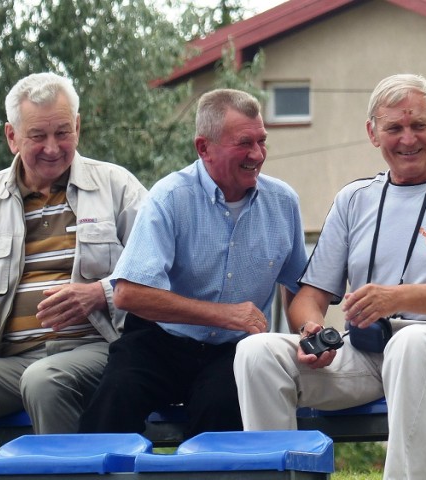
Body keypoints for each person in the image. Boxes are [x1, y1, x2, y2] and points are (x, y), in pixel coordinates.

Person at [233, 74, 426, 480]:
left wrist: (397, 299)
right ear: (372, 133)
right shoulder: (354, 199)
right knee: (257, 353)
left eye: (419, 125)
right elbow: (309, 296)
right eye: (394, 127)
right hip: (367, 352)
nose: (408, 139)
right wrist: (311, 330)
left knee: (411, 343)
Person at [0, 72, 147, 456]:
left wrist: (100, 293)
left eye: (63, 133)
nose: (53, 148)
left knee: (44, 380)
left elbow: (156, 272)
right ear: (12, 137)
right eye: (38, 136)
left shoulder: (117, 186)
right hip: (6, 363)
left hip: (99, 351)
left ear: (78, 126)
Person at [78, 88, 308, 437]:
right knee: (114, 400)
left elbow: (298, 286)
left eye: (262, 141)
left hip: (233, 350)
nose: (258, 154)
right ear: (204, 148)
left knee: (221, 410)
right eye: (244, 143)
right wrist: (224, 314)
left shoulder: (283, 202)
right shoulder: (169, 197)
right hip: (160, 342)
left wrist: (305, 333)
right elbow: (127, 294)